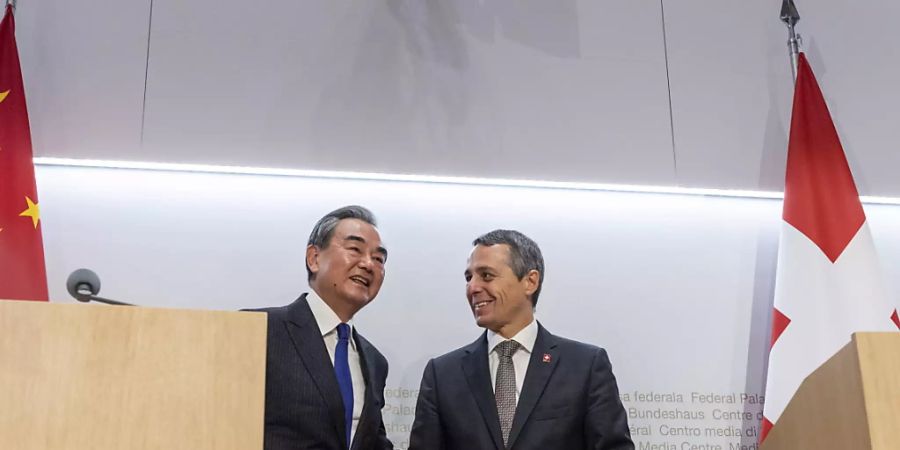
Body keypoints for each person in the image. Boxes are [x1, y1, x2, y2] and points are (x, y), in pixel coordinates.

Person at [409, 229, 633, 450]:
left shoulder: (585, 366)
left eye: (486, 275)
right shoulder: (443, 374)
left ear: (530, 281)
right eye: (469, 277)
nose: (473, 287)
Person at [247, 205, 393, 450]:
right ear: (314, 258)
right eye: (355, 249)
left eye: (378, 258)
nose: (368, 264)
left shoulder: (375, 361)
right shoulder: (261, 330)